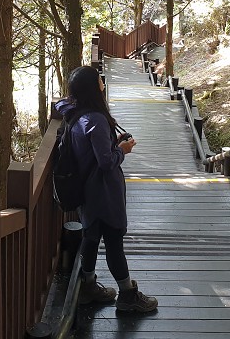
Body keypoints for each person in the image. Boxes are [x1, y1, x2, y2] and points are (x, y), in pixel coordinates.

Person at [54, 65, 158, 313]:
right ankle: (127, 295)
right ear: (94, 87)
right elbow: (106, 162)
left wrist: (114, 144)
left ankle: (88, 287)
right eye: (100, 79)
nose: (103, 82)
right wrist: (122, 150)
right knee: (113, 241)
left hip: (85, 192)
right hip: (103, 192)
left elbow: (92, 151)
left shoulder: (74, 113)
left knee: (91, 239)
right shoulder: (96, 120)